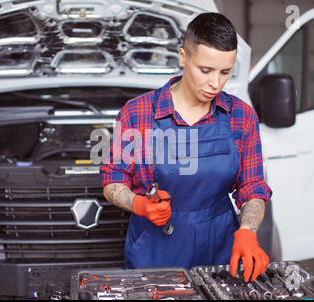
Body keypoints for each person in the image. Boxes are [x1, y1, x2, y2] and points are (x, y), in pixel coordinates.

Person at [100, 12, 272, 282]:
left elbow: (252, 188)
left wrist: (248, 230)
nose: (215, 83)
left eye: (225, 72)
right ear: (183, 57)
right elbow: (113, 182)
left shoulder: (242, 117)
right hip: (156, 247)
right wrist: (140, 204)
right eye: (205, 70)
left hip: (221, 247)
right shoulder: (136, 114)